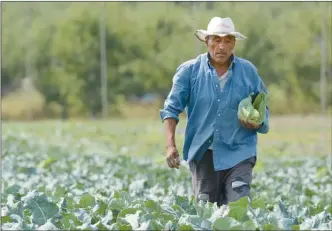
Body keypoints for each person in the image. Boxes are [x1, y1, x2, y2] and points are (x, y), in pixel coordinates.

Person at [159, 17, 270, 206]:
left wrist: (257, 121)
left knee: (239, 204)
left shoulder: (248, 71)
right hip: (203, 153)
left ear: (234, 43)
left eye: (227, 41)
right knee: (206, 209)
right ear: (206, 41)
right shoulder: (190, 71)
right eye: (216, 40)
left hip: (239, 151)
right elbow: (171, 109)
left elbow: (262, 105)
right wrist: (170, 146)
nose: (221, 47)